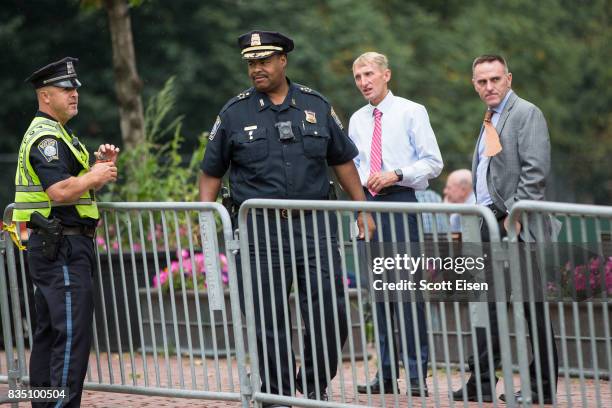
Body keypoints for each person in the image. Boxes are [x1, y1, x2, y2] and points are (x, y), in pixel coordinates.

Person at [199, 31, 375, 406]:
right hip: (259, 232)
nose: (256, 69)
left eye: (264, 61)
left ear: (283, 61)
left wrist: (361, 207)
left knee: (332, 311)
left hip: (315, 227)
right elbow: (211, 171)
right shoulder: (235, 113)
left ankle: (311, 384)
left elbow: (342, 160)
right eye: (251, 63)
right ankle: (276, 395)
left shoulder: (315, 105)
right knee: (267, 320)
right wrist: (206, 221)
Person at [13, 57, 119, 407]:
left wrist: (95, 168)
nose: (75, 94)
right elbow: (58, 191)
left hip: (55, 245)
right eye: (66, 89)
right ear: (45, 96)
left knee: (48, 336)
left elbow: (71, 187)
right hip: (62, 247)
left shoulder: (58, 133)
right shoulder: (47, 137)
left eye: (75, 89)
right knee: (71, 337)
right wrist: (94, 176)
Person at [452, 54, 558, 404]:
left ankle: (541, 388)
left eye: (495, 79)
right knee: (489, 307)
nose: (489, 86)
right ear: (474, 84)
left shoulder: (526, 113)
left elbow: (535, 173)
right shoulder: (489, 118)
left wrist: (513, 219)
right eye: (482, 81)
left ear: (508, 79)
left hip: (516, 227)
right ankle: (482, 381)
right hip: (489, 224)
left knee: (532, 310)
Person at [348, 51, 443, 397]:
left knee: (408, 294)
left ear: (387, 74)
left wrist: (398, 174)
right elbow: (353, 167)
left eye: (369, 74)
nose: (364, 82)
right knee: (379, 294)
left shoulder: (411, 111)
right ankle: (386, 373)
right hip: (367, 207)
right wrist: (360, 208)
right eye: (358, 77)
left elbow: (434, 162)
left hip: (401, 203)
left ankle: (417, 375)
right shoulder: (357, 119)